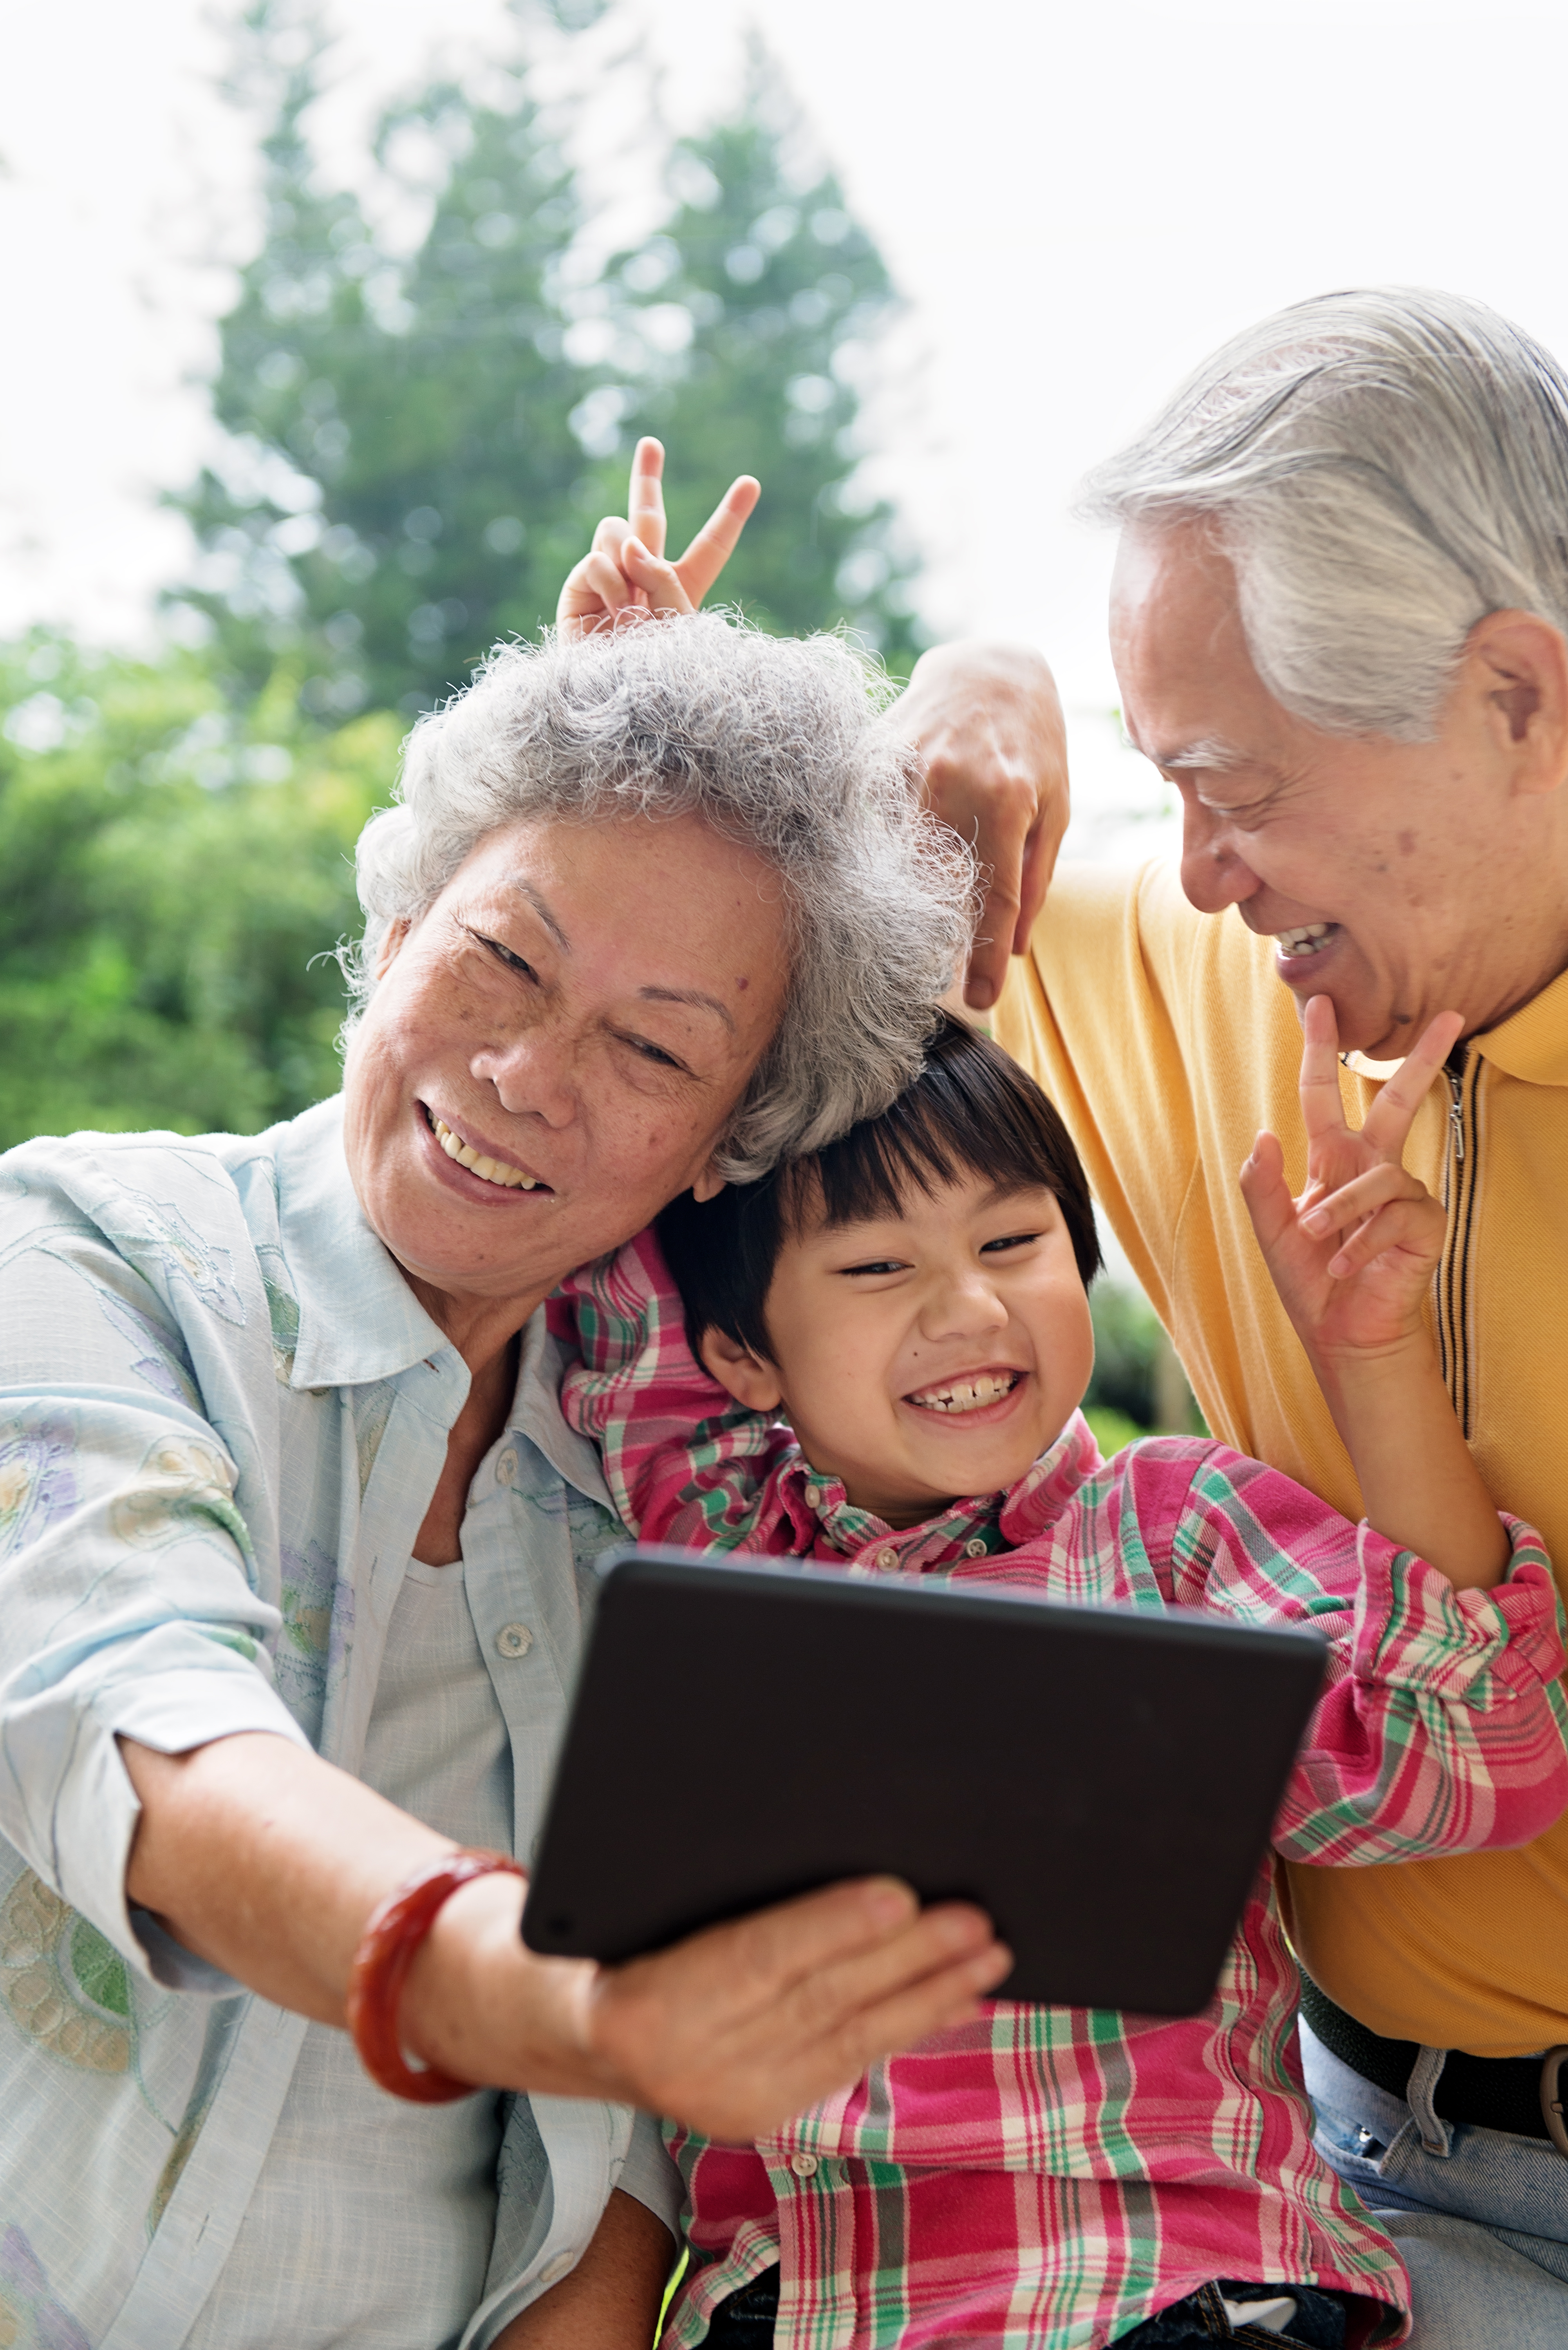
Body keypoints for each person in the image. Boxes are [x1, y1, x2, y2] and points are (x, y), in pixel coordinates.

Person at [0, 580, 1021, 2349]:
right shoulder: (82, 1252)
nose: (528, 1072)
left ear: (728, 1144)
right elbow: (142, 1733)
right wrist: (558, 1997)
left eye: (652, 1047)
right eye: (500, 956)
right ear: (397, 927)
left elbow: (609, 2170)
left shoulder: (685, 1478)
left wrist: (998, 680)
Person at [549, 1001, 1568, 2350]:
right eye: (873, 1269)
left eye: (1012, 1242)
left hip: (1163, 2288)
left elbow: (1478, 1760)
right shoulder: (723, 1542)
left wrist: (1369, 1359)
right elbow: (606, 1223)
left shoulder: (1172, 1535)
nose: (967, 1310)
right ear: (738, 1354)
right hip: (804, 2308)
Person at [912, 287, 1568, 2344]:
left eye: (1238, 785)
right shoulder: (1223, 966)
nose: (1193, 873)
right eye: (1158, 782)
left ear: (1517, 695)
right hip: (1370, 2185)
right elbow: (709, 994)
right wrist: (954, 693)